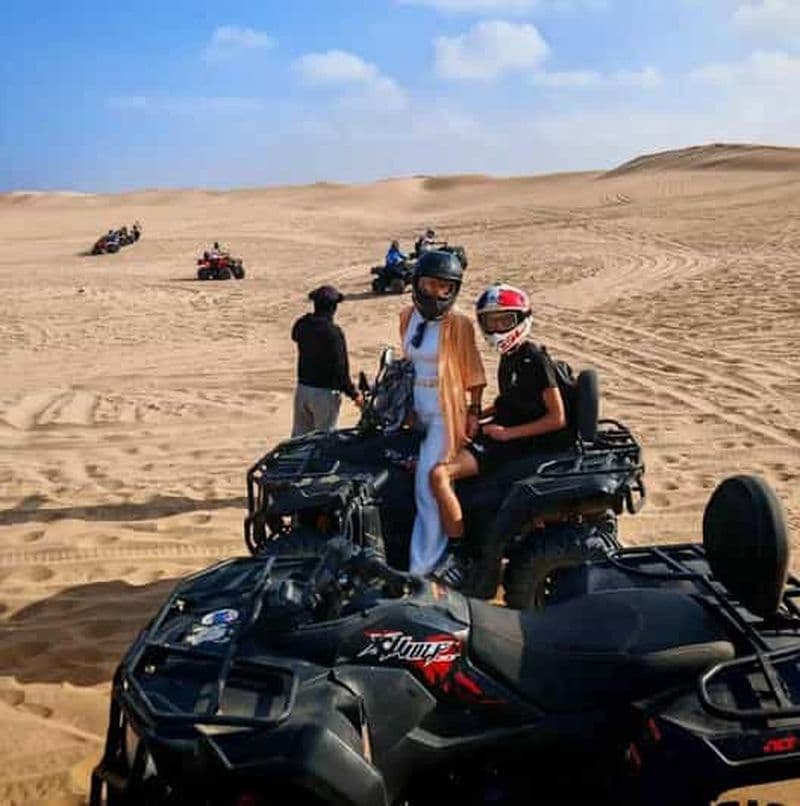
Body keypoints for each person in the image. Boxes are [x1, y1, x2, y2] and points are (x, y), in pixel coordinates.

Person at [428, 283, 569, 576]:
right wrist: (477, 413)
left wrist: (505, 434)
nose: (497, 328)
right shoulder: (510, 358)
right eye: (491, 322)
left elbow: (557, 418)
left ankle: (457, 553)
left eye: (504, 321)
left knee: (439, 474)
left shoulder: (535, 360)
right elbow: (511, 402)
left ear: (520, 319)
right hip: (503, 433)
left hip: (516, 443)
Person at [399, 251, 486, 578]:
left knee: (428, 483)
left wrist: (474, 411)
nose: (437, 293)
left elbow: (474, 372)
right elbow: (407, 363)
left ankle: (424, 566)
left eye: (445, 288)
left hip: (444, 412)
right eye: (431, 285)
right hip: (414, 411)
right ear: (417, 283)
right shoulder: (407, 318)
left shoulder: (459, 324)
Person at [291, 285, 363, 436]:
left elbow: (294, 335)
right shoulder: (333, 332)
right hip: (324, 393)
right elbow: (340, 369)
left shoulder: (303, 325)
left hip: (303, 389)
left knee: (298, 440)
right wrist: (354, 395)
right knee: (324, 441)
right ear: (333, 308)